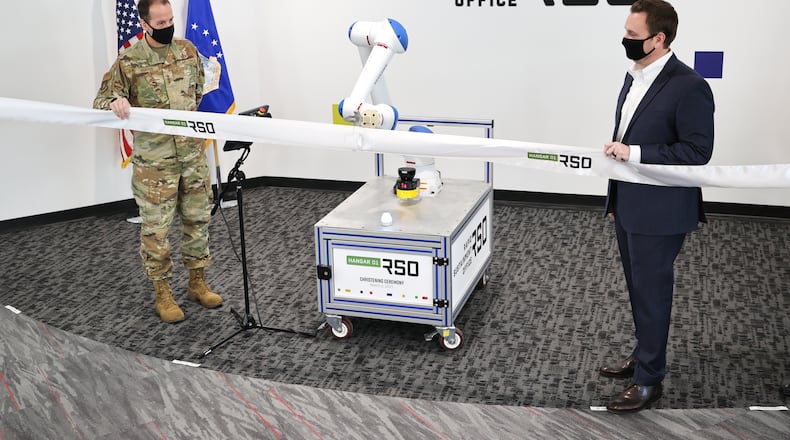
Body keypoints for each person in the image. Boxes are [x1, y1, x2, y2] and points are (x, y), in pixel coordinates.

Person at [600, 0, 714, 412]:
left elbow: (698, 151)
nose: (625, 40)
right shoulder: (635, 76)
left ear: (659, 38)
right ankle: (644, 354)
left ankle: (649, 380)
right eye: (626, 32)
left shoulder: (690, 85)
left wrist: (634, 153)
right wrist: (618, 186)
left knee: (652, 293)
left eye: (633, 35)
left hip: (661, 210)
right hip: (629, 202)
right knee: (638, 288)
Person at [93, 0, 222, 323]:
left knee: (197, 220)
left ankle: (197, 282)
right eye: (161, 23)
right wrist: (115, 101)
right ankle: (163, 292)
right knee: (156, 231)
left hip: (192, 156)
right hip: (155, 164)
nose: (168, 27)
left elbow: (196, 95)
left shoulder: (188, 51)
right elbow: (101, 100)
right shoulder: (130, 60)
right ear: (145, 24)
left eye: (170, 20)